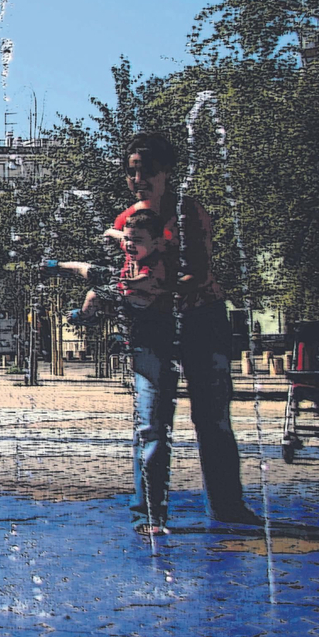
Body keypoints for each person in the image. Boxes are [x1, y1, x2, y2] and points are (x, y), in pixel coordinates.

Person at [107, 131, 261, 530]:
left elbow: (201, 271)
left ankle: (227, 507)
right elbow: (123, 265)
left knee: (213, 419)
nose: (138, 180)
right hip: (151, 326)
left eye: (146, 171)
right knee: (150, 421)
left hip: (202, 319)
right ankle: (150, 513)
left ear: (166, 172)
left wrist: (161, 287)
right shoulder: (128, 219)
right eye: (131, 172)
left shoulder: (189, 212)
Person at [48, 207, 171, 326]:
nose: (129, 244)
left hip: (134, 301)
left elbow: (146, 278)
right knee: (89, 269)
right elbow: (119, 236)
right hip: (121, 279)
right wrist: (110, 233)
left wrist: (130, 283)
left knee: (93, 295)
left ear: (155, 242)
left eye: (137, 240)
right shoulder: (139, 247)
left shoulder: (154, 262)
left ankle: (85, 316)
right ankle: (59, 266)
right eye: (127, 238)